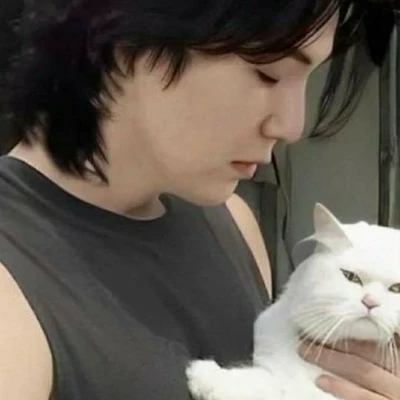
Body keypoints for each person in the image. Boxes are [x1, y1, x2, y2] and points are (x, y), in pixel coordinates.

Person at [0, 0, 398, 399]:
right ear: (123, 44)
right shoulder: (13, 278)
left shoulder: (232, 221)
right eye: (268, 73)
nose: (291, 126)